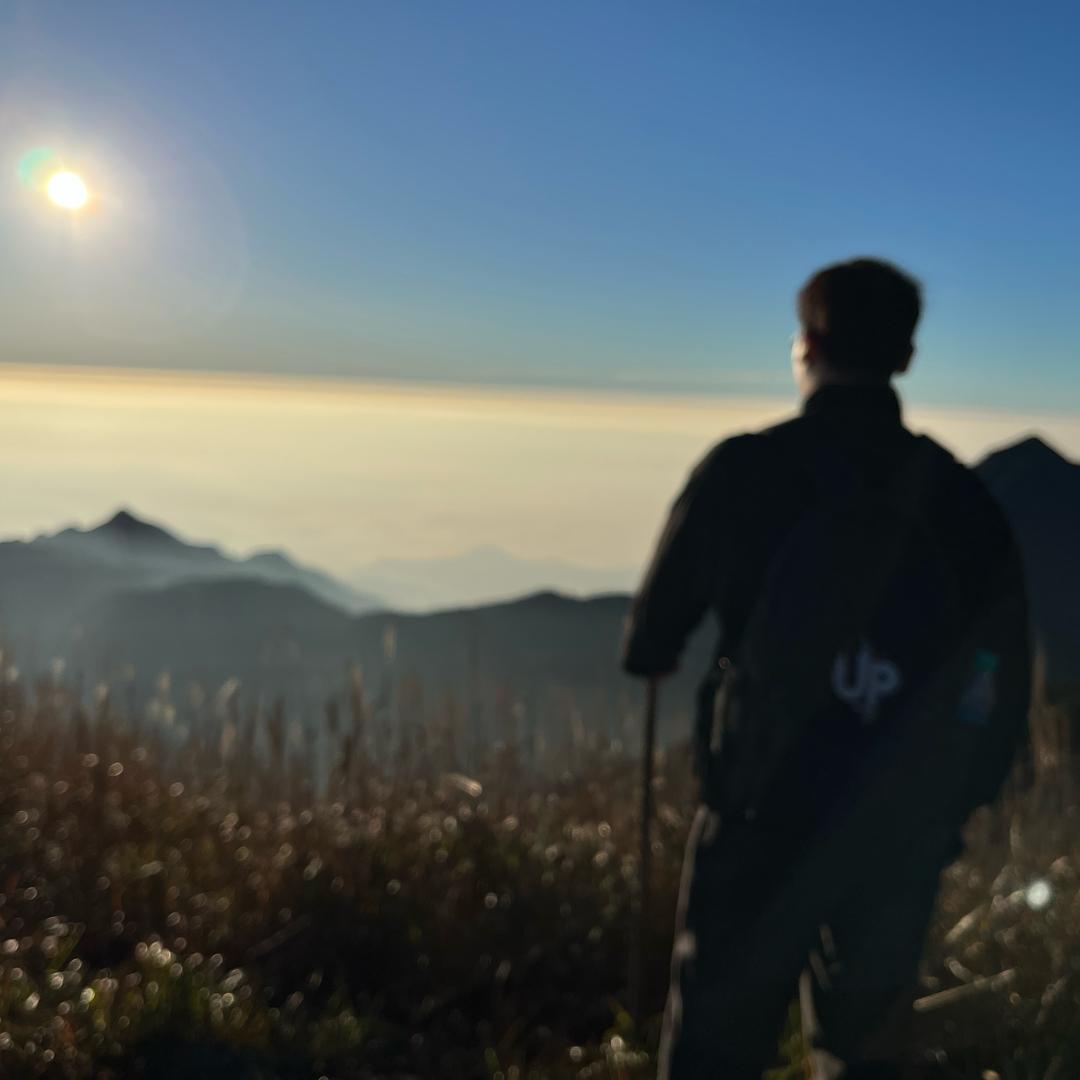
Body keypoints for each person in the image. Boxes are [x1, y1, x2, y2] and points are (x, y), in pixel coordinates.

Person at [621, 257, 1032, 1079]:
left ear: (806, 345)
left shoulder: (743, 470)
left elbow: (651, 643)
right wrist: (957, 801)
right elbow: (1004, 670)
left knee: (715, 1045)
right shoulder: (959, 499)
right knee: (865, 1047)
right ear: (905, 356)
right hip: (900, 820)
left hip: (762, 809)